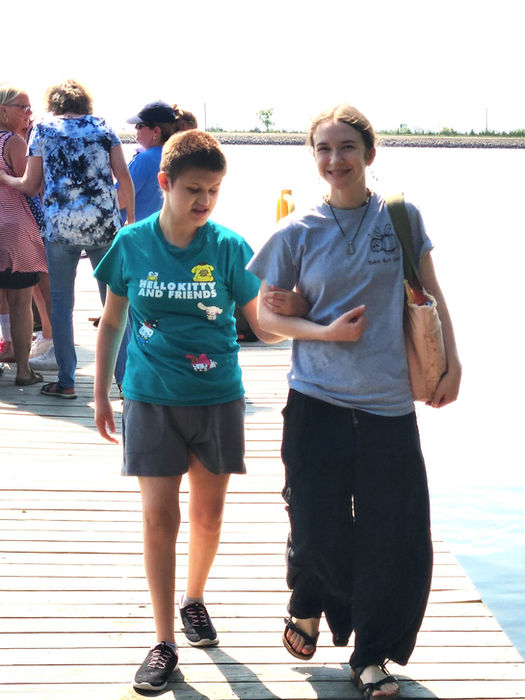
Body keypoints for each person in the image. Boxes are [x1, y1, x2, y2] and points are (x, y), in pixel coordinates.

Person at [248, 104, 462, 699]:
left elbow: (432, 296)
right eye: (323, 148)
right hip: (315, 400)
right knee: (316, 528)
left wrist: (454, 363)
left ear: (370, 154)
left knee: (395, 535)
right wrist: (319, 329)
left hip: (388, 404)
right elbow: (263, 322)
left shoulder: (401, 217)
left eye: (346, 148)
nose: (334, 160)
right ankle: (311, 597)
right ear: (313, 157)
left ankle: (370, 655)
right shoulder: (298, 230)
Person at [93, 129, 306, 692]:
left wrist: (299, 320)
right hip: (149, 394)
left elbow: (262, 327)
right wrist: (98, 393)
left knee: (208, 516)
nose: (203, 201)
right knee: (160, 516)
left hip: (217, 398)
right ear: (163, 184)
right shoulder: (132, 244)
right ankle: (163, 641)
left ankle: (194, 599)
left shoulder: (232, 248)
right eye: (193, 189)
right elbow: (113, 321)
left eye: (213, 190)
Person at [0, 79, 135, 398]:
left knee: (60, 304)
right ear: (84, 104)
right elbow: (124, 181)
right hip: (104, 224)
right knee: (114, 301)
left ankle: (67, 381)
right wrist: (127, 223)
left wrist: (6, 178)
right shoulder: (103, 127)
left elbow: (32, 185)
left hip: (61, 225)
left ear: (54, 104)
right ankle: (125, 380)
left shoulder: (43, 130)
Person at [0, 85, 47, 385]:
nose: (29, 114)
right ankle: (23, 371)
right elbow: (31, 186)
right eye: (23, 107)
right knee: (20, 302)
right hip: (15, 229)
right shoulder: (14, 142)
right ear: (3, 110)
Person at [119, 101, 197, 223]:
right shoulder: (177, 159)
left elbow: (119, 201)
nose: (136, 128)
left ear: (156, 131)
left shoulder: (145, 159)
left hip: (136, 236)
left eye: (140, 125)